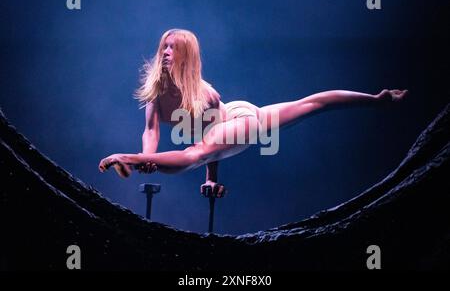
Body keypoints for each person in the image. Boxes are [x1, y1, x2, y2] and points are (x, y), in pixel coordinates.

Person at [99, 29, 408, 198]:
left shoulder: (204, 93)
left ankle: (376, 99)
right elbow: (152, 130)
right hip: (222, 130)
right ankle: (376, 100)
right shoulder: (157, 91)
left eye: (173, 48)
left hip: (240, 120)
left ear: (186, 57)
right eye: (164, 47)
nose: (166, 52)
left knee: (310, 105)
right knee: (311, 104)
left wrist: (142, 161)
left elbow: (210, 144)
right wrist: (147, 157)